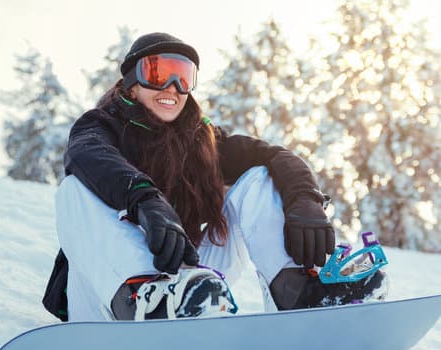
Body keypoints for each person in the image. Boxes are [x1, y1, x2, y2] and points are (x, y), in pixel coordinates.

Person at [49, 32, 386, 322]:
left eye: (183, 76)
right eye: (158, 72)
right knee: (74, 188)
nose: (173, 87)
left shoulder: (201, 142)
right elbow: (89, 155)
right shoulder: (100, 126)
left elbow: (276, 155)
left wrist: (304, 199)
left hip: (183, 285)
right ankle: (141, 298)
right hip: (105, 296)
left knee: (258, 176)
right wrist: (144, 199)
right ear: (131, 83)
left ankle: (297, 290)